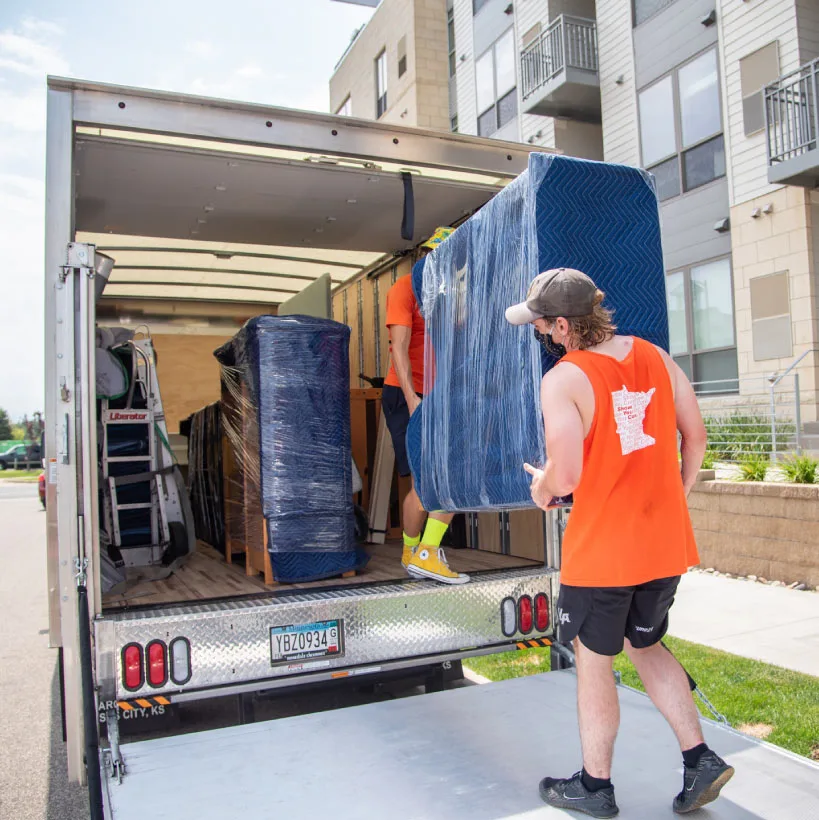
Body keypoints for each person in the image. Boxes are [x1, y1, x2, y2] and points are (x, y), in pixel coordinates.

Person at [506, 268, 733, 817]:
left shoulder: (564, 378)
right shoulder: (655, 355)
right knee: (647, 644)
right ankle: (699, 758)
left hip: (604, 549)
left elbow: (568, 477)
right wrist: (672, 498)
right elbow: (695, 437)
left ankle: (595, 785)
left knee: (592, 659)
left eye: (542, 326)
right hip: (663, 542)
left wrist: (542, 484)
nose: (542, 334)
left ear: (564, 323)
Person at [381, 229, 469, 585]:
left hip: (438, 394)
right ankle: (422, 551)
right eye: (436, 254)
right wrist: (413, 399)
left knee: (436, 476)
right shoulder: (404, 288)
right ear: (425, 255)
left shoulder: (450, 294)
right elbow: (398, 348)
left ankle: (414, 553)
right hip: (407, 394)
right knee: (436, 477)